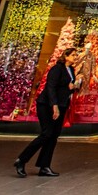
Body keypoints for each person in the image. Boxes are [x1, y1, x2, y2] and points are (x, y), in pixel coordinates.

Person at [14, 47, 81, 177]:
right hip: (47, 105)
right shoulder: (57, 69)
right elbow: (51, 87)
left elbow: (67, 87)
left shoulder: (71, 70)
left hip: (61, 105)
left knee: (54, 135)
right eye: (73, 55)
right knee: (47, 133)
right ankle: (21, 160)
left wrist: (73, 87)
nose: (75, 57)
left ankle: (44, 166)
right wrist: (54, 105)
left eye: (76, 55)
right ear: (66, 56)